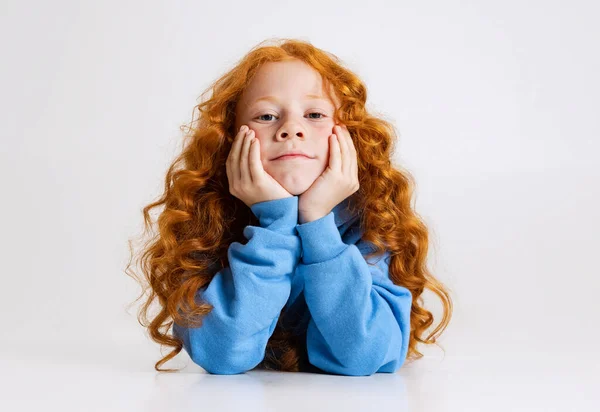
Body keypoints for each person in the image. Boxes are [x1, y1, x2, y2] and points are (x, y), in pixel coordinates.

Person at [126, 38, 453, 376]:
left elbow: (365, 356)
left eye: (314, 114)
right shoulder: (208, 223)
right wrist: (276, 222)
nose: (291, 129)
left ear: (350, 137)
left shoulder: (369, 222)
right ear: (229, 139)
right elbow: (222, 356)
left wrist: (318, 224)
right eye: (266, 116)